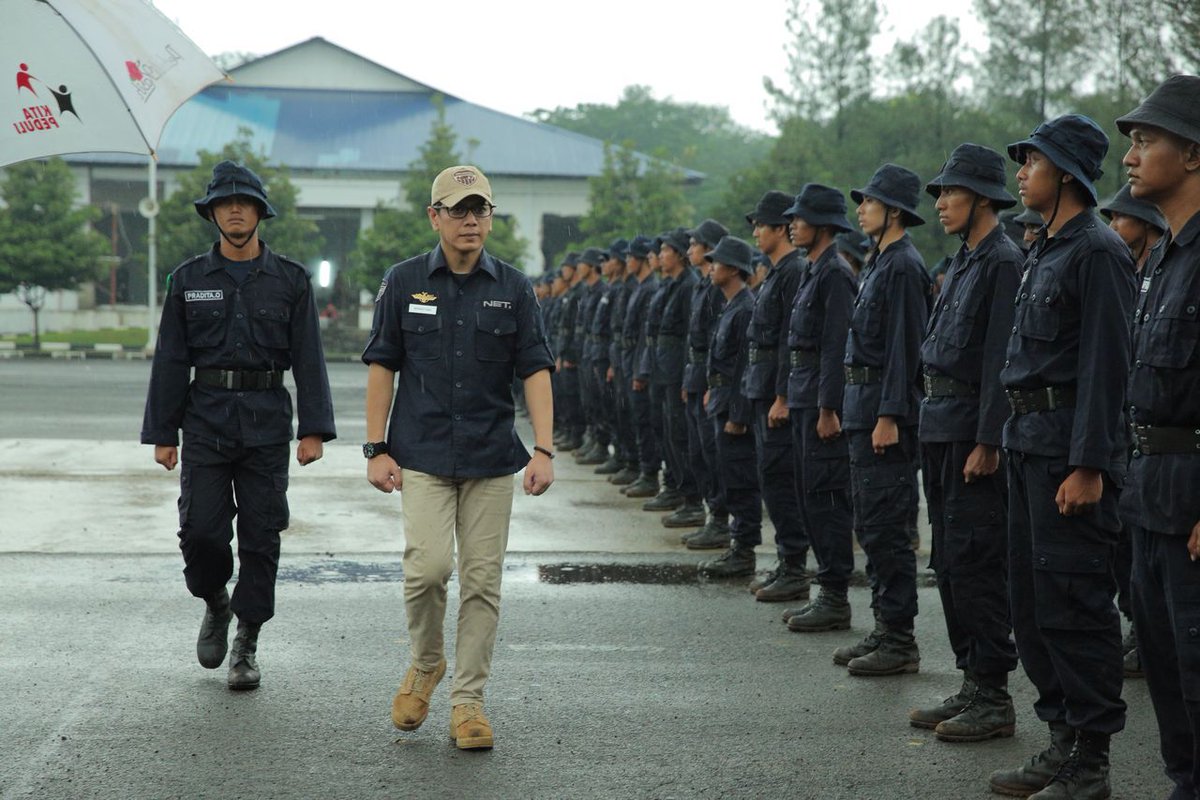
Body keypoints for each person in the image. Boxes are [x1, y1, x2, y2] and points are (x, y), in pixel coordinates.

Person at [362, 165, 555, 750]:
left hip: (492, 457)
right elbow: (382, 367)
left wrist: (544, 448)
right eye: (459, 210)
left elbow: (536, 369)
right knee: (426, 572)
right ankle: (426, 662)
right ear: (435, 216)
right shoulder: (403, 283)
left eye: (481, 210)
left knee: (481, 582)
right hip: (420, 453)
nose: (471, 220)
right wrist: (376, 447)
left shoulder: (515, 287)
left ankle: (469, 702)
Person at [140, 160, 336, 691]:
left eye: (243, 203)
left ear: (259, 212)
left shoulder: (290, 281)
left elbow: (309, 358)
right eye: (224, 203)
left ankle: (247, 640)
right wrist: (163, 432)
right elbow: (171, 361)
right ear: (212, 214)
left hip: (268, 422)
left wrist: (313, 428)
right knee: (201, 531)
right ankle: (215, 601)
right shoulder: (188, 280)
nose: (234, 210)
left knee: (261, 535)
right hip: (204, 420)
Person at [989, 116, 1134, 799]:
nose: (1021, 172)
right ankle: (1060, 739)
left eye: (1033, 162)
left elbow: (1108, 369)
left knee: (1075, 602)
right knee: (1034, 603)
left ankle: (1091, 759)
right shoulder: (1044, 249)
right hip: (1028, 449)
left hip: (1066, 458)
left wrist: (1090, 466)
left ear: (1067, 174)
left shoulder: (1097, 252)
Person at [911, 144, 1022, 742]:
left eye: (950, 192)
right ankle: (972, 680)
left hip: (970, 437)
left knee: (977, 560)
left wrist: (989, 440)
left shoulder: (1003, 261)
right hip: (940, 425)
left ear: (982, 197)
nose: (942, 203)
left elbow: (1002, 358)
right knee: (950, 561)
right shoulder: (964, 260)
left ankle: (994, 694)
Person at [1116, 74, 1200, 800]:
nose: (1130, 157)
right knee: (1167, 673)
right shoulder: (1166, 255)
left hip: (1192, 498)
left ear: (1194, 153)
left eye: (1146, 141)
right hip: (1150, 493)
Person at [836, 164, 931, 676]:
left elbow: (904, 349)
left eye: (870, 201)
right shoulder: (878, 261)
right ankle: (884, 625)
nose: (861, 209)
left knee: (888, 527)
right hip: (861, 407)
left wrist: (891, 414)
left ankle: (900, 639)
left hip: (881, 413)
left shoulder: (903, 266)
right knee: (869, 524)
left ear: (893, 211)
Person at [778, 184, 858, 633]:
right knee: (809, 493)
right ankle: (823, 588)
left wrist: (830, 407)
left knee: (827, 498)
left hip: (821, 401)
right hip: (805, 394)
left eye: (801, 218)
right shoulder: (813, 269)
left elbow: (834, 346)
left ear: (824, 225)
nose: (793, 224)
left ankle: (835, 595)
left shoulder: (835, 274)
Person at [743, 191, 811, 602]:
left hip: (775, 391)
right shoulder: (776, 270)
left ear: (781, 229)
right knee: (770, 478)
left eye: (761, 225)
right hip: (762, 384)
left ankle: (795, 566)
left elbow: (790, 339)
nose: (755, 232)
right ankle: (787, 561)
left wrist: (782, 394)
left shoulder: (792, 271)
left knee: (782, 481)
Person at [698, 235, 762, 576]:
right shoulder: (731, 305)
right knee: (727, 473)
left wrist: (738, 413)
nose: (710, 268)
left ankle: (744, 549)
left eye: (717, 262)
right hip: (721, 401)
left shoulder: (746, 308)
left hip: (733, 409)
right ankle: (738, 545)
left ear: (735, 269)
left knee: (740, 478)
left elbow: (744, 367)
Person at [679, 219, 732, 546]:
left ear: (710, 248)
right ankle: (712, 513)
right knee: (697, 449)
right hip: (696, 373)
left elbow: (717, 339)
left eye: (695, 244)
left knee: (713, 452)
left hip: (709, 377)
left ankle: (721, 520)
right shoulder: (702, 284)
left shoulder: (715, 288)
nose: (690, 250)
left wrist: (713, 381)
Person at [646, 229, 701, 520]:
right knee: (666, 432)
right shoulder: (671, 284)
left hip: (676, 369)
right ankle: (676, 488)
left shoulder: (688, 286)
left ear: (678, 255)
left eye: (666, 250)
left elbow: (689, 335)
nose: (660, 255)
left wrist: (684, 377)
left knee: (680, 435)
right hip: (662, 368)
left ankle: (691, 499)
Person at [621, 236, 663, 497]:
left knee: (646, 422)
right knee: (634, 418)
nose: (627, 262)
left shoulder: (650, 288)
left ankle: (649, 473)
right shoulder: (640, 286)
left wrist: (641, 370)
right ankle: (639, 467)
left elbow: (646, 335)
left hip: (641, 359)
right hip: (632, 357)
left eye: (630, 257)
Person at [1099, 183, 1166, 274]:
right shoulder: (1123, 268)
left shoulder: (1170, 267)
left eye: (1119, 216)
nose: (1111, 227)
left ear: (1147, 221)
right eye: (1112, 218)